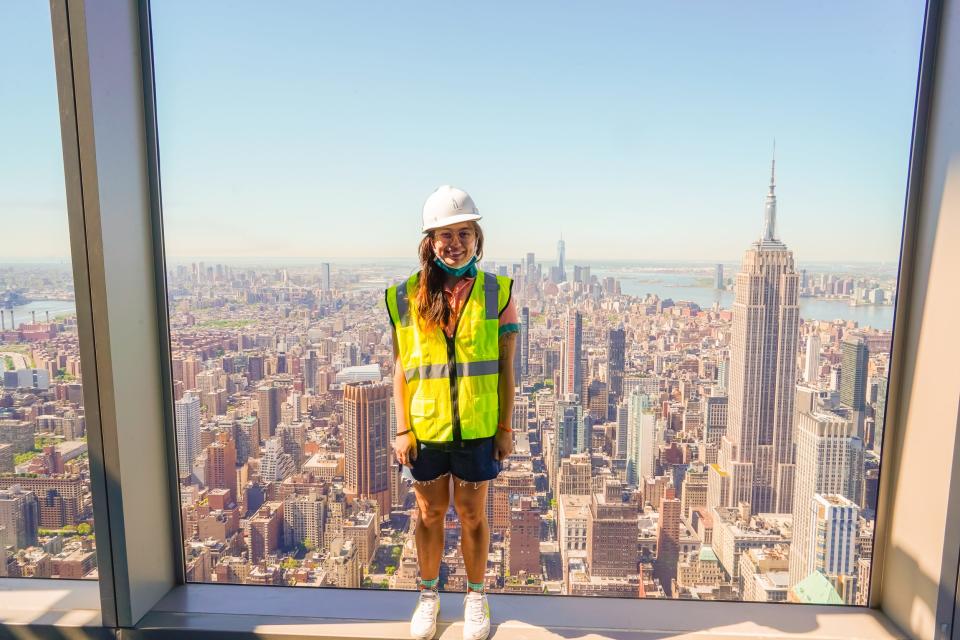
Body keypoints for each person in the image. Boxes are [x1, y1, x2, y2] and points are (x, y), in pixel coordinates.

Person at [385, 185, 519, 640]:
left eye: (464, 232)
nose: (455, 242)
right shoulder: (403, 296)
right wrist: (403, 427)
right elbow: (401, 369)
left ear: (476, 237)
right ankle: (428, 597)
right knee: (429, 514)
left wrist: (504, 427)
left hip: (479, 427)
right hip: (426, 427)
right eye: (446, 234)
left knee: (473, 514)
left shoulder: (497, 292)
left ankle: (477, 596)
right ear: (430, 241)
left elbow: (506, 367)